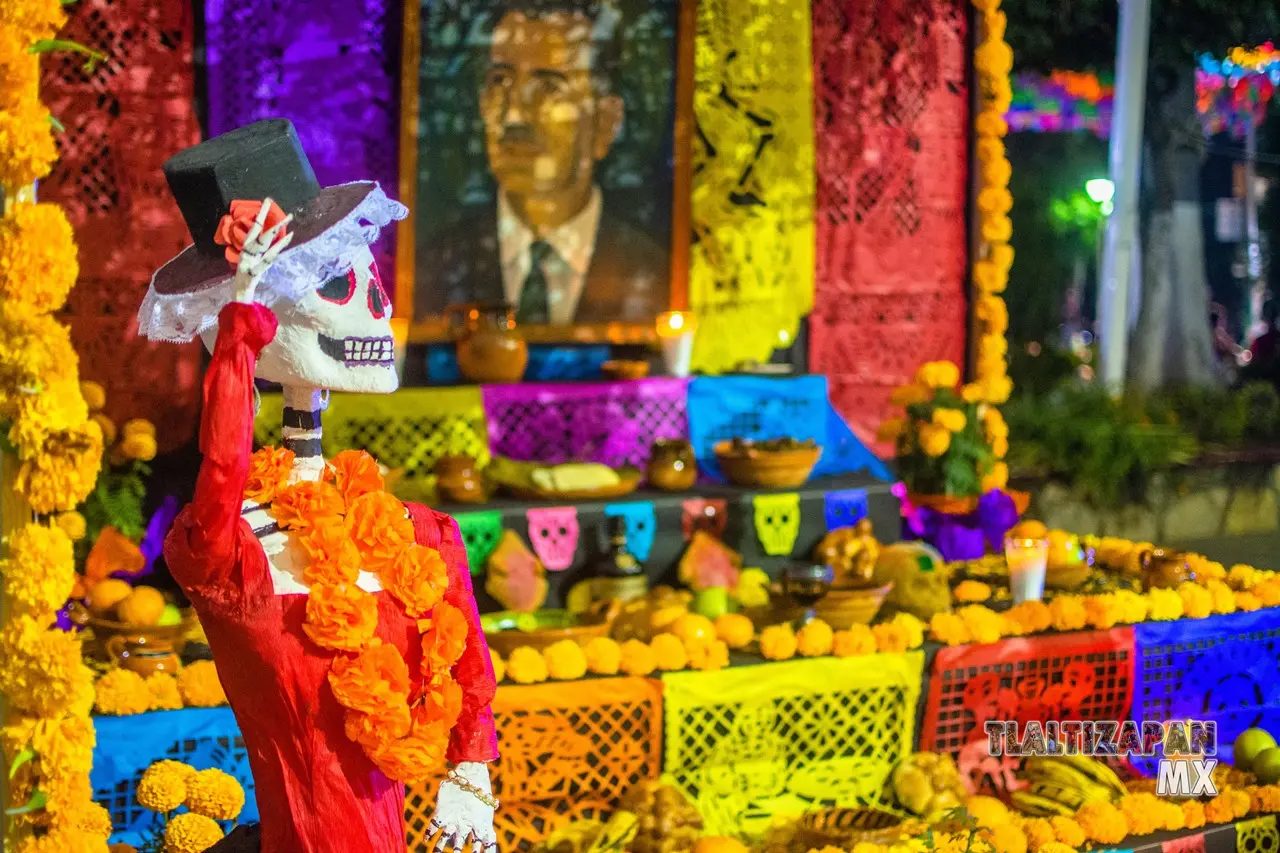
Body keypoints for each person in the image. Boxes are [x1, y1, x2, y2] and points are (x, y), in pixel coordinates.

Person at [137, 120, 499, 853]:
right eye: (340, 283)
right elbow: (218, 478)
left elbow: (465, 664)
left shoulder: (418, 534)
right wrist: (238, 329)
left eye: (370, 278)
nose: (378, 306)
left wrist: (470, 773)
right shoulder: (229, 548)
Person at [417, 2, 668, 325]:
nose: (514, 115)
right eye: (501, 81)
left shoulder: (651, 273)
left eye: (550, 87)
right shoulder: (433, 271)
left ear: (605, 121)